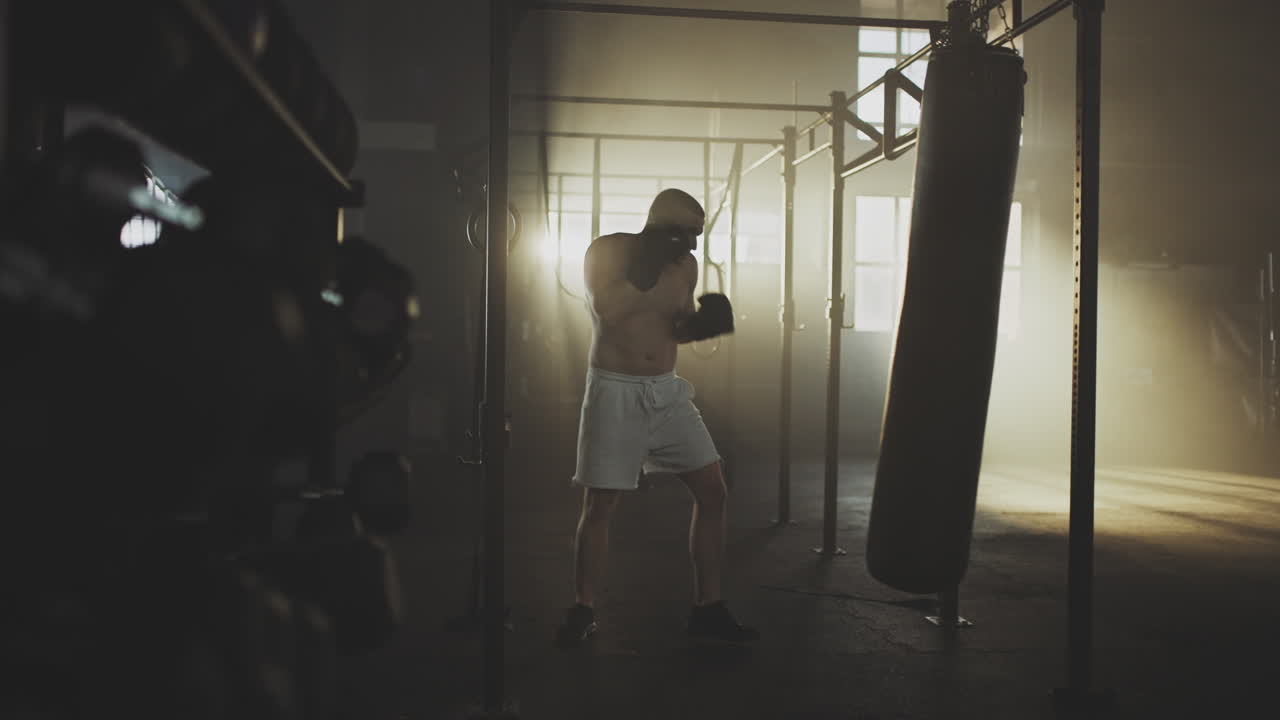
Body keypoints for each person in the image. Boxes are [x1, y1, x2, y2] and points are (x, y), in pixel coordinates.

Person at [556, 188, 758, 648]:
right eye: (684, 233)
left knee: (714, 491)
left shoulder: (685, 267)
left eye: (696, 236)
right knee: (600, 505)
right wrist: (644, 273)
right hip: (614, 391)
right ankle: (583, 609)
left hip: (666, 393)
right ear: (660, 224)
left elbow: (677, 323)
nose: (691, 246)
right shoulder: (605, 251)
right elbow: (606, 311)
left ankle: (708, 609)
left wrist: (704, 324)